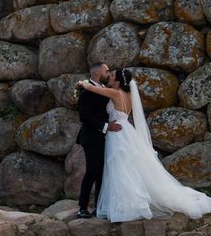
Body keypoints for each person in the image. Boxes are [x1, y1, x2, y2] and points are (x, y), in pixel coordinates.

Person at [78, 68, 211, 222]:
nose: (109, 76)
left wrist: (83, 84)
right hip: (126, 129)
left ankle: (123, 204)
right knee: (127, 167)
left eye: (112, 75)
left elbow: (91, 88)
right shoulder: (128, 95)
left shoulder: (115, 93)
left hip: (117, 133)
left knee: (119, 168)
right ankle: (118, 202)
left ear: (118, 81)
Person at [75, 62, 122, 219]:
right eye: (106, 71)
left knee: (102, 172)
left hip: (103, 137)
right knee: (92, 172)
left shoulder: (102, 89)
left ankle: (98, 207)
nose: (108, 74)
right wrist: (106, 126)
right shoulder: (87, 92)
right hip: (91, 137)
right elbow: (84, 116)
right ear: (96, 73)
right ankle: (82, 208)